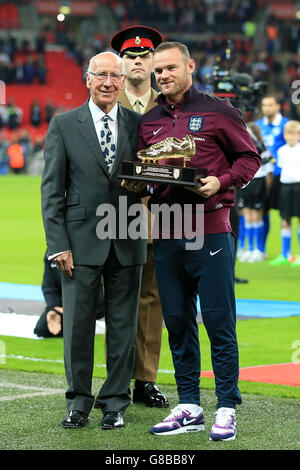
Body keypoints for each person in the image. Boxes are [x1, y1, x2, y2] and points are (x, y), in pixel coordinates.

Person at [128, 41, 261, 440]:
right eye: (158, 71)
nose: (163, 76)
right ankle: (188, 404)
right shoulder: (149, 120)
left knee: (219, 321)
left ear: (189, 66)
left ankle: (225, 406)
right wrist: (140, 184)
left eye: (170, 68)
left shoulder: (220, 110)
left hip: (211, 229)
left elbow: (249, 159)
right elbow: (143, 171)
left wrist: (220, 181)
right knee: (177, 322)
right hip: (167, 231)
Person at [41, 51, 147, 430]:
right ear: (87, 79)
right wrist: (58, 245)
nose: (107, 82)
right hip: (79, 242)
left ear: (123, 81)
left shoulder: (141, 124)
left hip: (128, 237)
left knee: (124, 326)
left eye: (114, 76)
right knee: (78, 327)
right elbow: (52, 190)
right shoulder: (64, 124)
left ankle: (116, 402)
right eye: (100, 75)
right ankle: (78, 402)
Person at [110, 25, 168, 408]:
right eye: (130, 57)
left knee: (152, 300)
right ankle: (114, 380)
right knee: (114, 300)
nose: (137, 62)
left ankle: (144, 380)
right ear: (122, 63)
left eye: (144, 56)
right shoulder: (104, 103)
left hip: (161, 217)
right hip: (110, 217)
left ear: (152, 61)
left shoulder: (170, 106)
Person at [34, 252, 105, 338]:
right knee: (42, 329)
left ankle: (80, 320)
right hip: (63, 303)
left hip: (89, 300)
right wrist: (53, 308)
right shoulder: (51, 253)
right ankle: (77, 321)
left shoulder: (84, 249)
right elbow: (49, 286)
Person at [256, 95, 289, 251]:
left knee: (285, 212)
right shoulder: (257, 125)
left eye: (270, 105)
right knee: (262, 209)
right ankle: (261, 247)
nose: (267, 108)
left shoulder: (287, 125)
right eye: (264, 105)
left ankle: (286, 250)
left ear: (277, 106)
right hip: (261, 174)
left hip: (281, 175)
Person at [237, 122, 273, 262]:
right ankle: (249, 248)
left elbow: (268, 171)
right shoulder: (242, 149)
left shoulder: (262, 150)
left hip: (259, 183)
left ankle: (259, 249)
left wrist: (267, 191)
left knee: (256, 216)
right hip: (248, 184)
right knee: (248, 216)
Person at [269, 120, 300, 266]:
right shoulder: (281, 151)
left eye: (294, 134)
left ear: (298, 135)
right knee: (285, 220)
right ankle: (284, 254)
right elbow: (280, 168)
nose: (291, 137)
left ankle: (299, 255)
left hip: (299, 186)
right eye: (288, 134)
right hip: (286, 187)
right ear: (285, 135)